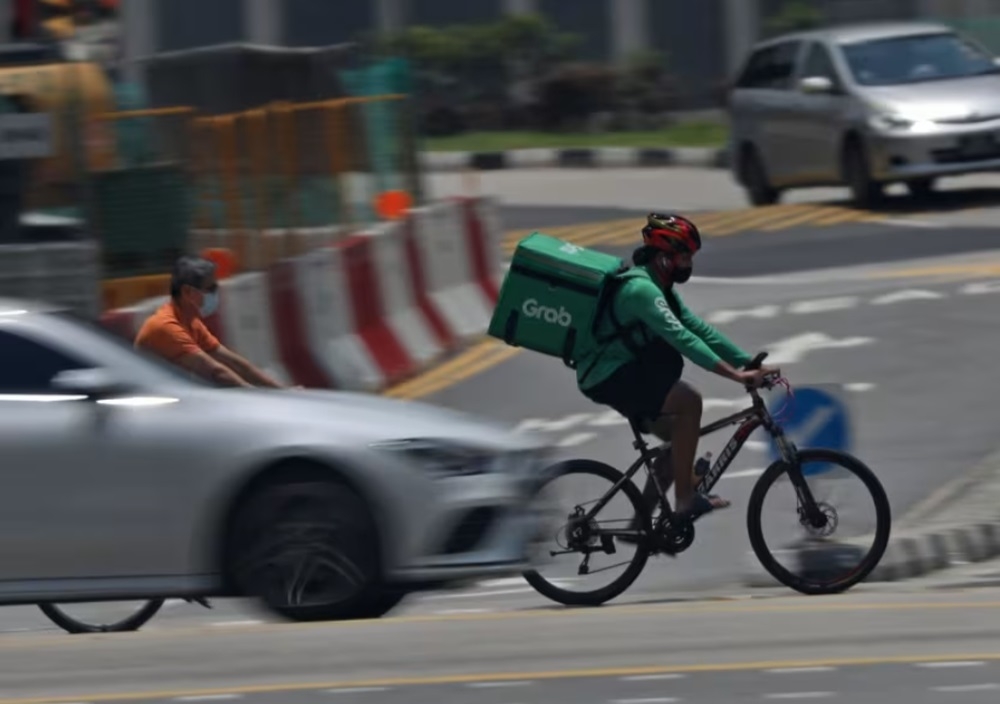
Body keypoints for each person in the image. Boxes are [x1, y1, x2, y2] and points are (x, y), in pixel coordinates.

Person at [575, 213, 779, 523]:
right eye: (684, 256)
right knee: (689, 401)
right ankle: (685, 499)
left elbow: (698, 329)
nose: (689, 264)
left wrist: (746, 362)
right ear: (663, 257)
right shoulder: (642, 290)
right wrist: (736, 376)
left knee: (678, 444)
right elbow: (682, 338)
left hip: (624, 371)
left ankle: (643, 523)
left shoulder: (663, 288)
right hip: (609, 375)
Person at [134, 255, 290, 389]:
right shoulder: (166, 327)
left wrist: (282, 391)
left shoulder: (191, 323)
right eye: (210, 288)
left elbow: (234, 363)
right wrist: (259, 397)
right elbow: (217, 372)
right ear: (188, 292)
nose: (216, 293)